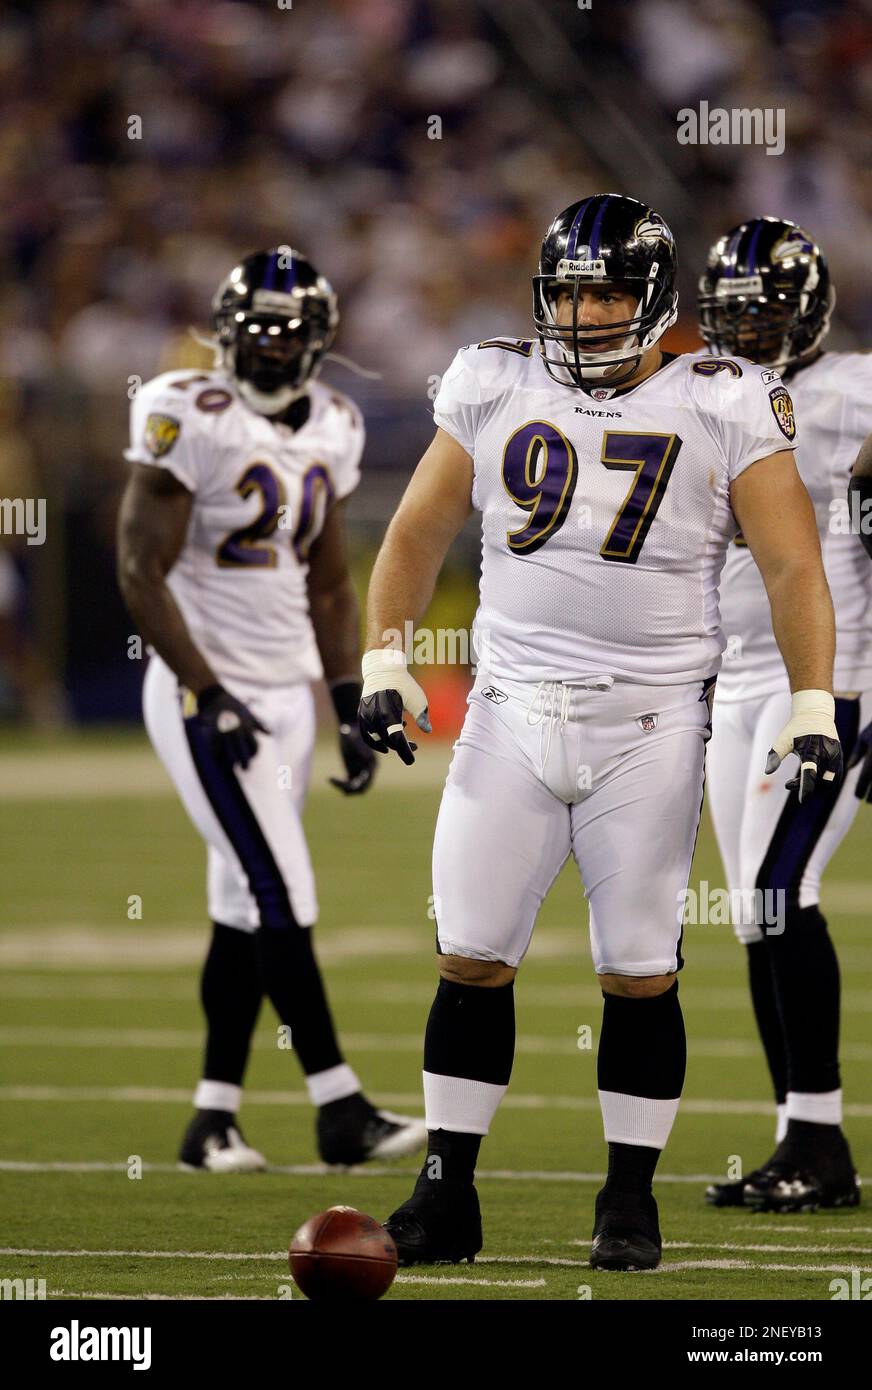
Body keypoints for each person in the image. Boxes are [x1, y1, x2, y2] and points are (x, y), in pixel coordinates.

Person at [358, 194, 842, 1270]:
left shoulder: (721, 398)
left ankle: (627, 1197)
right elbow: (415, 529)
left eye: (607, 291)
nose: (582, 313)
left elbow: (790, 564)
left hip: (651, 723)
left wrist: (812, 700)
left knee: (636, 973)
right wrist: (385, 658)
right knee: (470, 958)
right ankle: (446, 1190)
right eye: (568, 291)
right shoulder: (490, 376)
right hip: (508, 713)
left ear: (653, 299)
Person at [117, 246, 426, 1172]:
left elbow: (331, 585)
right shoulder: (188, 411)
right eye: (253, 330)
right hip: (202, 691)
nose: (267, 347)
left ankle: (212, 1117)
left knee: (241, 906)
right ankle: (339, 1106)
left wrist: (346, 695)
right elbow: (138, 569)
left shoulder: (334, 421)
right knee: (281, 892)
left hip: (287, 694)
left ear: (321, 342)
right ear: (224, 333)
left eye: (287, 332)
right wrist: (204, 690)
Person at [698, 218, 871, 1211]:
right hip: (734, 683)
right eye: (731, 314)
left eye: (764, 311)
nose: (747, 330)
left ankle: (817, 1140)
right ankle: (799, 1138)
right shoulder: (700, 394)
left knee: (778, 887)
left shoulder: (852, 393)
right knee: (752, 910)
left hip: (832, 678)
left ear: (807, 311)